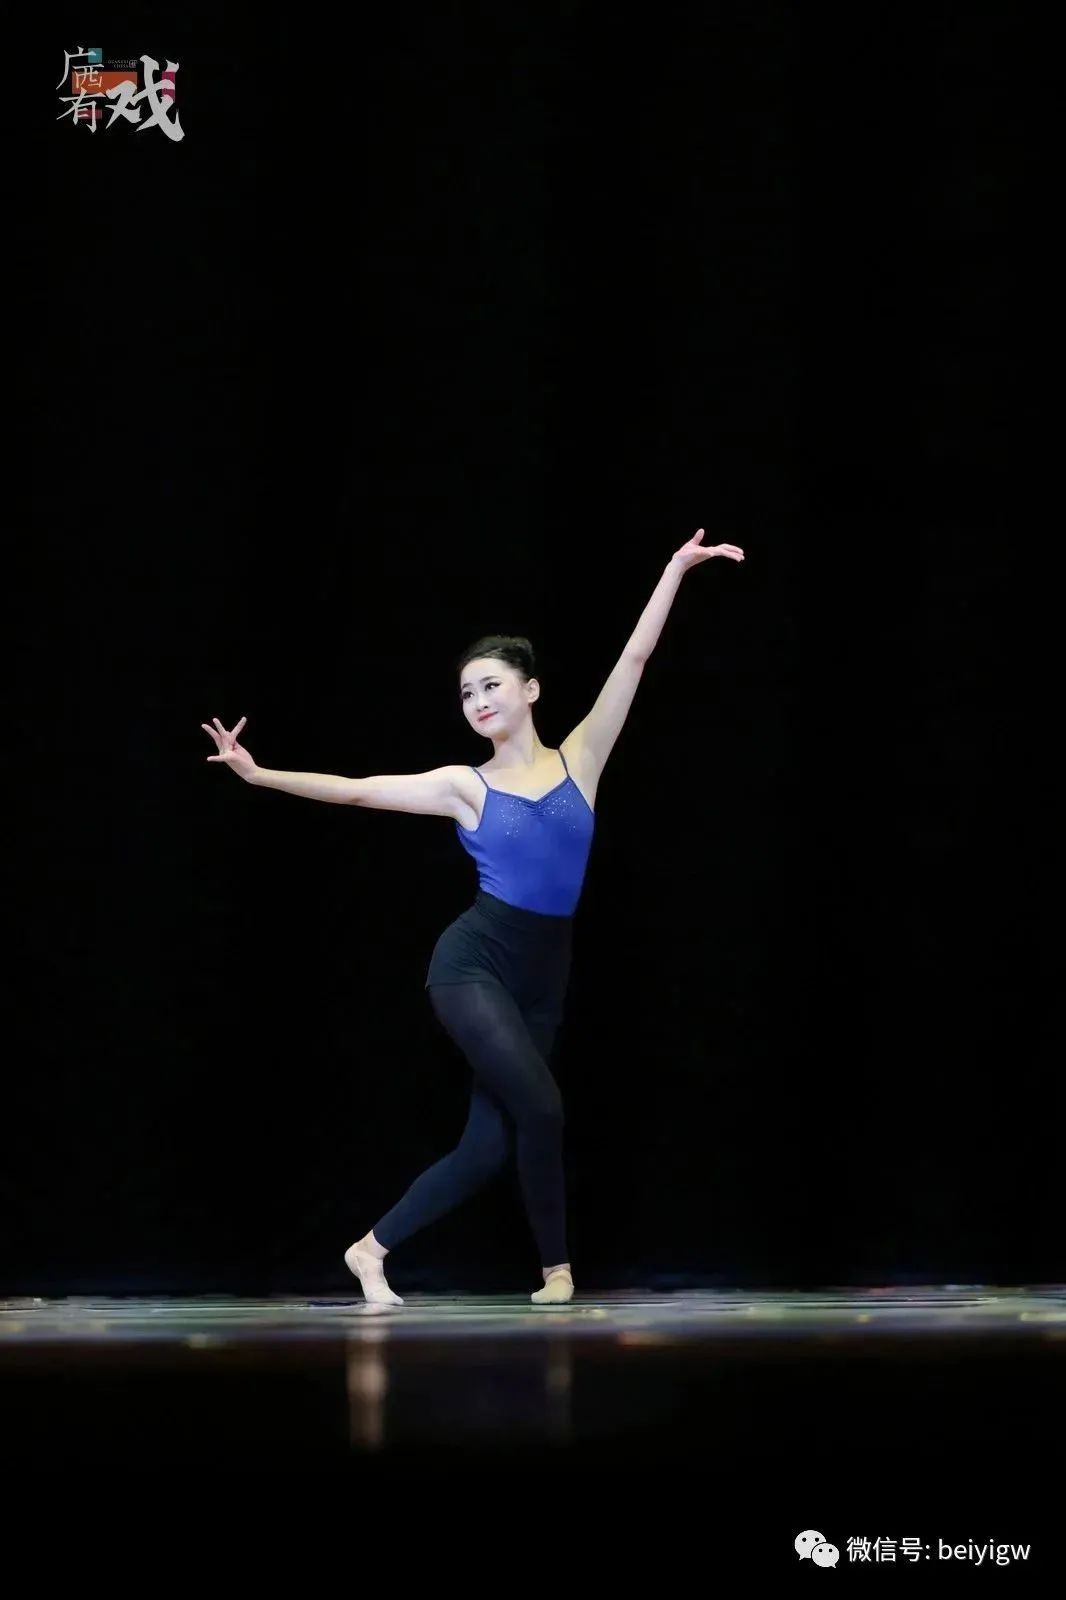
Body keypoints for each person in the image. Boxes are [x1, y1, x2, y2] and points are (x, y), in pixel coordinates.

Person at [202, 528, 744, 1306]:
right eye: (466, 693)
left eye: (491, 685)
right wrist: (259, 776)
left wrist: (674, 570)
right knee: (543, 1106)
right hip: (474, 966)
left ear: (531, 690)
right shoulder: (465, 785)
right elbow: (358, 789)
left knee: (490, 1144)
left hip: (544, 977)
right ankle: (558, 1272)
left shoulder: (582, 759)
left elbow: (633, 660)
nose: (479, 701)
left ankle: (369, 1250)